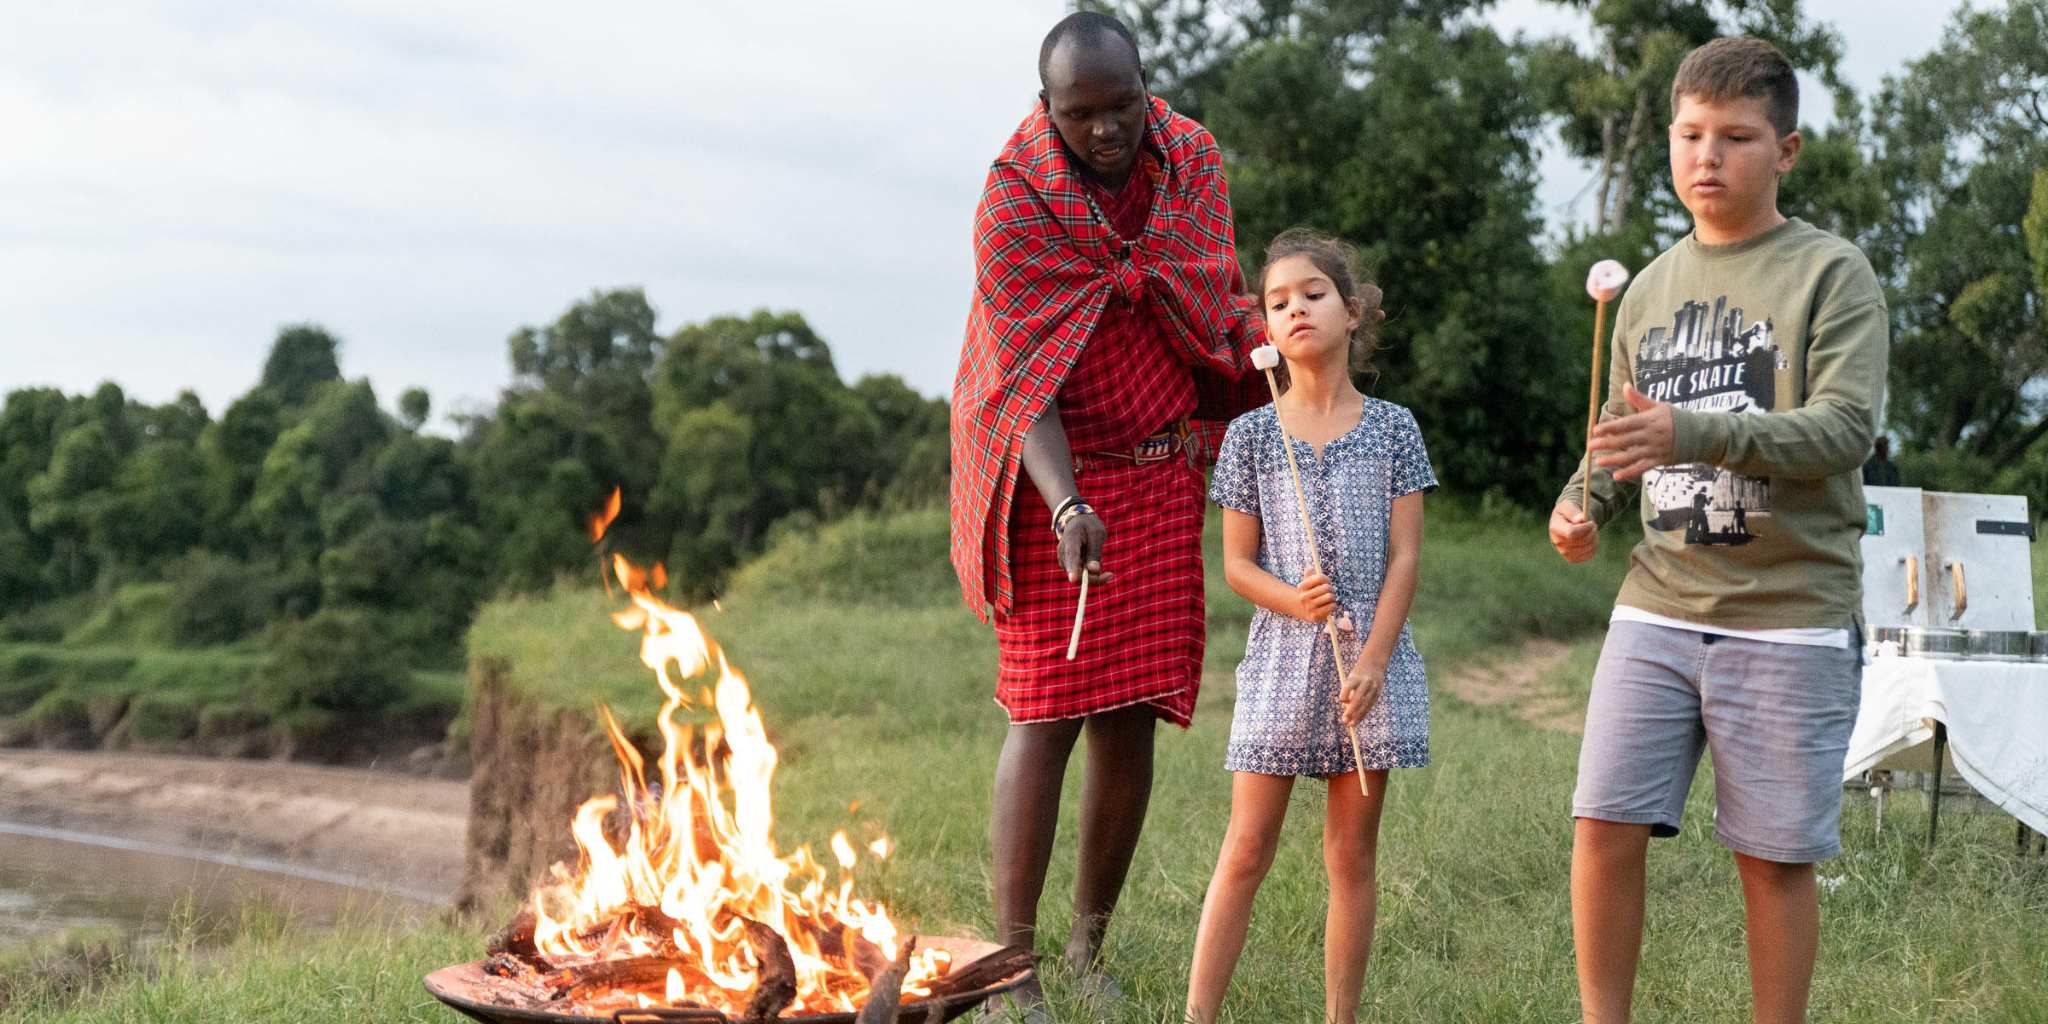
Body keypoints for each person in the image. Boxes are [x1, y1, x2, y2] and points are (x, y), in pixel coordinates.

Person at [1547, 37, 1889, 1024]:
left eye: (1734, 137)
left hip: (1788, 611)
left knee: (1769, 856)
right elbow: (1613, 441)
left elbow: (1841, 429)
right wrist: (1582, 506)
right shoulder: (1646, 286)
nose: (1707, 156)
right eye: (1689, 135)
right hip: (1655, 605)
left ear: (1784, 150)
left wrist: (1687, 427)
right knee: (1601, 823)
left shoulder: (1829, 273)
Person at [947, 11, 1267, 1013]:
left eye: (1119, 107)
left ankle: (1087, 951)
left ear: (1144, 88)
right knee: (1043, 711)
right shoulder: (1012, 201)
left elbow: (1210, 294)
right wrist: (1066, 501)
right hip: (1052, 474)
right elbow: (1018, 377)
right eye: (1080, 114)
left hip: (1162, 462)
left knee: (1128, 713)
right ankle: (1012, 966)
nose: (1103, 131)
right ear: (1047, 109)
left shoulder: (1190, 161)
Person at [1185, 229, 1434, 1024]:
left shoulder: (1394, 427)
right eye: (1277, 302)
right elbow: (1236, 566)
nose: (1294, 310)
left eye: (1313, 295)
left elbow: (1404, 560)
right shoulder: (1252, 436)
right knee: (1247, 848)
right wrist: (1294, 600)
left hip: (1371, 664)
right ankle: (1197, 1016)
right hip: (1283, 662)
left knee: (1350, 855)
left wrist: (1373, 659)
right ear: (1264, 328)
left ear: (1353, 312)